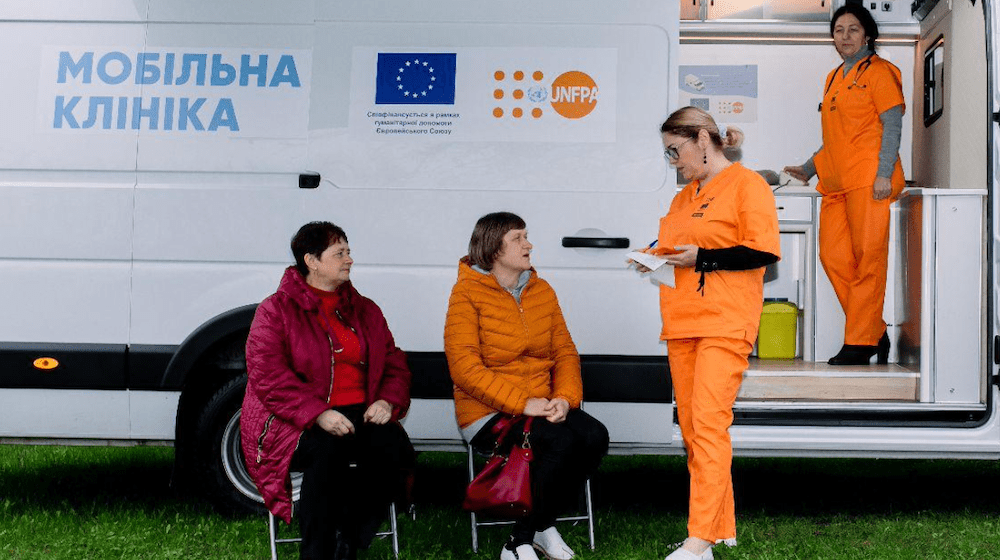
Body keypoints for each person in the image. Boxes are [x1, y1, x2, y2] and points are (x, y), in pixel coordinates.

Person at [635, 107, 780, 560]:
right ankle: (720, 529)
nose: (672, 162)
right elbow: (680, 249)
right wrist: (653, 256)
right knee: (695, 429)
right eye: (667, 154)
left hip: (725, 320)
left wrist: (702, 258)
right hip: (682, 322)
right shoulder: (685, 196)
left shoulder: (747, 184)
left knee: (711, 424)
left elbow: (762, 252)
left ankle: (698, 541)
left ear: (702, 138)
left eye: (674, 151)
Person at [241, 221, 414, 560]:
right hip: (294, 419)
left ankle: (348, 538)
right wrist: (318, 413)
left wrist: (387, 400)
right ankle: (317, 552)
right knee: (328, 454)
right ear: (312, 261)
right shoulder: (275, 310)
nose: (349, 259)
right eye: (340, 253)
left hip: (360, 411)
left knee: (396, 450)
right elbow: (268, 375)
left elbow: (395, 362)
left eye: (348, 251)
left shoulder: (365, 309)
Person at [444, 211, 610, 560]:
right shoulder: (466, 295)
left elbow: (565, 352)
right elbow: (464, 370)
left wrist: (564, 399)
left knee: (595, 436)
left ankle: (538, 526)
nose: (528, 244)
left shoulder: (542, 290)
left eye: (526, 236)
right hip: (488, 412)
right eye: (518, 238)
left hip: (542, 405)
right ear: (493, 249)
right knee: (559, 441)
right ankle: (519, 542)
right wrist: (524, 404)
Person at [783, 3, 905, 366]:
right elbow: (836, 136)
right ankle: (875, 332)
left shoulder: (881, 71)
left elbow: (893, 126)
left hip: (870, 180)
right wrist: (808, 168)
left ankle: (860, 343)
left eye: (853, 29)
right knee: (833, 257)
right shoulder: (834, 77)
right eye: (839, 30)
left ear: (867, 35)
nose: (845, 36)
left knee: (868, 260)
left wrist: (884, 173)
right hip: (835, 182)